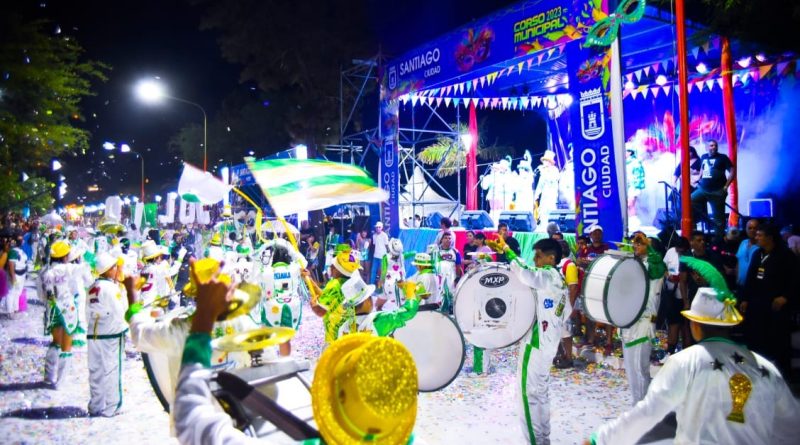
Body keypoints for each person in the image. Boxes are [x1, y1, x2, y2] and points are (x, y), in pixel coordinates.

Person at [589, 257, 800, 444]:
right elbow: (792, 426)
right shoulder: (765, 367)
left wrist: (602, 439)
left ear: (696, 325)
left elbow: (649, 412)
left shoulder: (685, 362)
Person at [488, 236, 568, 445]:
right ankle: (543, 440)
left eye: (538, 256)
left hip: (536, 343)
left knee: (527, 395)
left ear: (551, 258)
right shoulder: (559, 279)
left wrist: (507, 250)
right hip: (548, 343)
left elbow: (526, 273)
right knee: (540, 393)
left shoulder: (547, 275)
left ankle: (535, 441)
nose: (535, 260)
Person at [740, 223, 797, 378]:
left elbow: (795, 279)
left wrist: (785, 297)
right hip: (757, 304)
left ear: (770, 238)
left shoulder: (785, 255)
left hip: (776, 305)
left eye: (760, 235)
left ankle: (783, 375)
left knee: (778, 340)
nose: (756, 237)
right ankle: (758, 372)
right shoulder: (757, 253)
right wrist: (745, 298)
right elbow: (750, 277)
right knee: (757, 338)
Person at [621, 233, 666, 404]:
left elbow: (655, 266)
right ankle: (637, 403)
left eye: (641, 244)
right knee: (631, 368)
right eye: (636, 243)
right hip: (629, 321)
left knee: (640, 367)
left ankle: (643, 407)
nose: (636, 246)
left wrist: (649, 250)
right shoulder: (635, 263)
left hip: (644, 323)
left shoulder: (656, 266)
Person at [86, 253, 130, 417]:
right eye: (114, 267)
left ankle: (95, 405)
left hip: (93, 333)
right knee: (112, 369)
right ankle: (113, 406)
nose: (117, 269)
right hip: (111, 333)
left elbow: (87, 312)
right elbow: (121, 311)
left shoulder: (92, 287)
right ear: (108, 269)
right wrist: (125, 329)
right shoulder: (112, 288)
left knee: (95, 370)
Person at [41, 241, 82, 388]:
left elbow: (44, 294)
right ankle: (61, 381)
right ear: (64, 257)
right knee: (67, 345)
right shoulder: (69, 269)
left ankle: (49, 375)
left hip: (52, 309)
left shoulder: (46, 272)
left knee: (55, 342)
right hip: (67, 308)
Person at [691, 139, 735, 239]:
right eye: (711, 145)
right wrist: (698, 178)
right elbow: (703, 169)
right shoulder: (703, 156)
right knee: (689, 201)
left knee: (718, 218)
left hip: (717, 191)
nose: (714, 147)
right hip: (703, 189)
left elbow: (732, 172)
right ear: (707, 147)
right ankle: (694, 225)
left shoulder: (722, 157)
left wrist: (726, 186)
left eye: (715, 145)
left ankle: (719, 239)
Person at [663, 236, 691, 355]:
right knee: (673, 323)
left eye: (681, 251)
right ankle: (670, 351)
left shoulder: (690, 256)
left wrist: (686, 301)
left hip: (687, 296)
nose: (679, 253)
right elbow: (663, 267)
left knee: (686, 326)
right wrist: (668, 276)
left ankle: (686, 352)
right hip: (671, 294)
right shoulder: (670, 252)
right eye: (677, 251)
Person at [555, 239, 579, 369]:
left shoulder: (569, 265)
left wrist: (569, 306)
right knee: (555, 331)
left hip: (564, 304)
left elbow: (573, 287)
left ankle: (569, 358)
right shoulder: (555, 264)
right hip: (554, 303)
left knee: (566, 333)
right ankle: (560, 354)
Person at [432, 232, 462, 313]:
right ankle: (439, 310)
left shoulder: (455, 251)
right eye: (445, 238)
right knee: (440, 292)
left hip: (451, 276)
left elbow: (458, 265)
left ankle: (452, 309)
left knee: (452, 292)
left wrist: (458, 278)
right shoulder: (436, 251)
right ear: (441, 240)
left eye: (449, 238)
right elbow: (433, 265)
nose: (448, 240)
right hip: (439, 276)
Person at [534, 150, 560, 232]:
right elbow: (540, 185)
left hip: (552, 196)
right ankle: (543, 228)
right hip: (545, 196)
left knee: (551, 213)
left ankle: (552, 230)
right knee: (543, 212)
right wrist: (536, 195)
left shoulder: (555, 170)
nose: (544, 163)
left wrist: (545, 172)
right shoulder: (543, 172)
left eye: (545, 161)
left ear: (549, 162)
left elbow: (553, 179)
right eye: (544, 161)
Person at [736, 218, 760, 289]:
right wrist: (736, 279)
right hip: (740, 286)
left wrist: (759, 284)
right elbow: (738, 262)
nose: (752, 230)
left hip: (755, 288)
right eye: (750, 228)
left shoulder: (762, 247)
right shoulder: (743, 243)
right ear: (746, 229)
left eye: (755, 228)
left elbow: (762, 269)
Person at [370, 221, 389, 285]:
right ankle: (372, 285)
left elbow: (386, 245)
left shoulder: (384, 235)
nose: (378, 228)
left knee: (382, 272)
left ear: (382, 228)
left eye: (379, 227)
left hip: (383, 256)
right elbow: (375, 245)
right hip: (375, 256)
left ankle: (381, 286)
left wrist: (388, 254)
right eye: (377, 227)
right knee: (373, 271)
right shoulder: (374, 236)